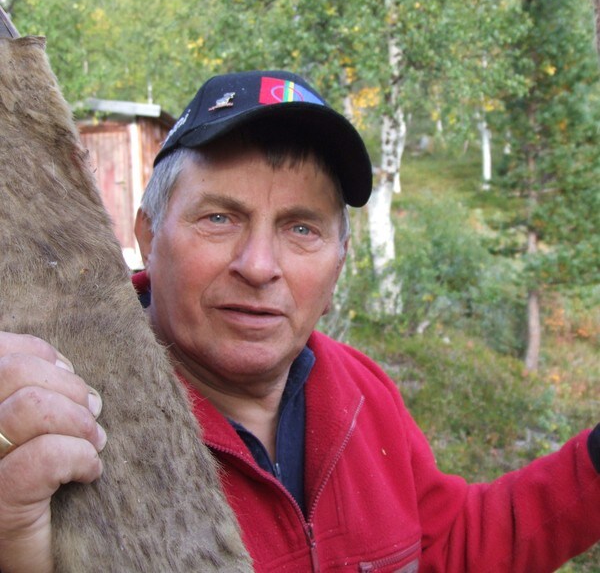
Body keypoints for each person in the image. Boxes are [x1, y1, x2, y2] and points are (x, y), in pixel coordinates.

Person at [0, 70, 599, 573]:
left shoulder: (362, 391)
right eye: (219, 218)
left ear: (338, 265)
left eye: (302, 228)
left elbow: (452, 545)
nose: (259, 267)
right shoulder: (53, 419)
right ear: (147, 237)